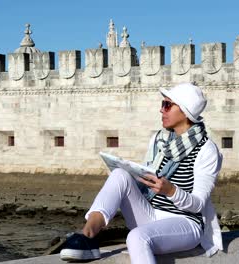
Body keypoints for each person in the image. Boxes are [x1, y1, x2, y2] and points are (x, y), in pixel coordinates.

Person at [59, 83, 223, 263]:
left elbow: (198, 204)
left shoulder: (206, 150)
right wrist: (136, 175)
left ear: (185, 111)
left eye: (167, 105)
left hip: (186, 223)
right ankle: (87, 236)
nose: (162, 110)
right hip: (150, 213)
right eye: (162, 104)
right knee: (120, 175)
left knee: (137, 237)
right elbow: (146, 176)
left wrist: (170, 191)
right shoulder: (160, 140)